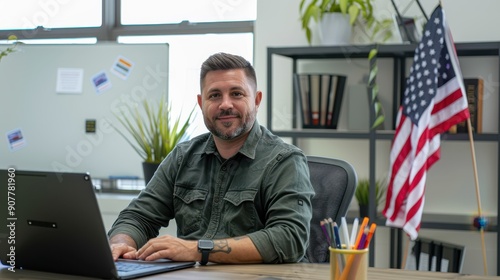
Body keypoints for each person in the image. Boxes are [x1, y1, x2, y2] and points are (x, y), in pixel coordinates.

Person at [108, 52, 314, 265]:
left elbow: (290, 238)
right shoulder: (182, 158)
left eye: (236, 93)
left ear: (257, 100)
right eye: (214, 95)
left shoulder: (285, 160)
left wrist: (199, 249)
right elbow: (138, 217)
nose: (225, 104)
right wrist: (121, 243)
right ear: (201, 102)